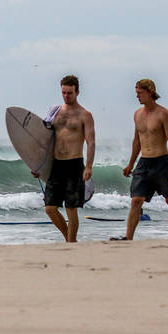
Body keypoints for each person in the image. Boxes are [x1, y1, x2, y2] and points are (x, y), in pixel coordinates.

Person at [34, 74, 95, 242]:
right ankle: (69, 239)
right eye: (64, 92)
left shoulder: (85, 115)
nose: (66, 96)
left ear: (77, 92)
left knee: (71, 208)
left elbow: (91, 142)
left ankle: (70, 242)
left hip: (74, 165)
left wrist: (88, 166)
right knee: (50, 208)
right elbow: (45, 140)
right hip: (57, 165)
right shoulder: (54, 112)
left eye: (70, 93)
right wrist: (38, 164)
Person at [122, 78, 168, 240]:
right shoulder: (137, 114)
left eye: (140, 93)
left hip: (162, 162)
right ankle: (128, 238)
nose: (137, 96)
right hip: (144, 163)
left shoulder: (163, 114)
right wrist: (130, 164)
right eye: (136, 93)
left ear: (150, 92)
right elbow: (137, 141)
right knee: (136, 200)